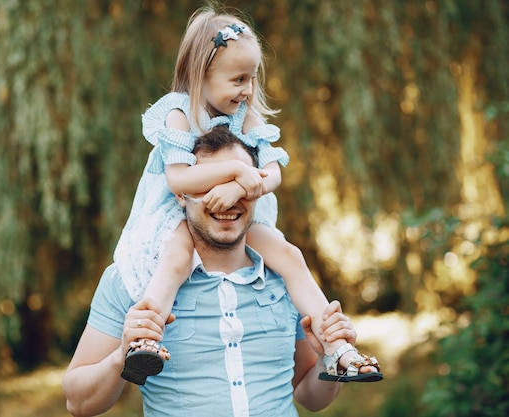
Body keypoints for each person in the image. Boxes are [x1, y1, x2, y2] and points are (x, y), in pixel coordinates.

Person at [113, 6, 382, 385]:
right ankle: (144, 340)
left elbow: (272, 174)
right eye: (238, 79)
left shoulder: (247, 116)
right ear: (200, 75)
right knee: (174, 259)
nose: (248, 90)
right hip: (179, 214)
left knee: (289, 254)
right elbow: (178, 180)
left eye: (252, 78)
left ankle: (338, 349)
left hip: (239, 214)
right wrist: (238, 171)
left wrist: (241, 186)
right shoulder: (177, 114)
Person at [63, 126, 361, 416]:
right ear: (181, 194)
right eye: (210, 186)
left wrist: (326, 362)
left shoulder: (289, 281)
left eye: (240, 184)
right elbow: (77, 403)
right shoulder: (133, 278)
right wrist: (120, 357)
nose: (228, 199)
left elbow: (309, 397)